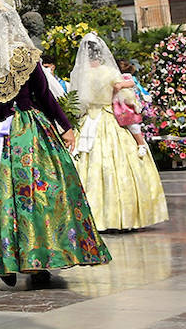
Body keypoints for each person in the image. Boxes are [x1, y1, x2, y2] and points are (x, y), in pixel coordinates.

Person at [0, 0, 109, 287]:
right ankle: (36, 262)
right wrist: (66, 127)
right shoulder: (27, 56)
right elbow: (45, 96)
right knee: (33, 192)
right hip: (26, 132)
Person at [69, 32, 168, 231]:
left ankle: (89, 216)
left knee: (86, 167)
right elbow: (126, 95)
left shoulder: (80, 74)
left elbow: (77, 104)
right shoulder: (109, 72)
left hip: (89, 120)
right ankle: (122, 216)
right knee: (121, 166)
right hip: (110, 119)